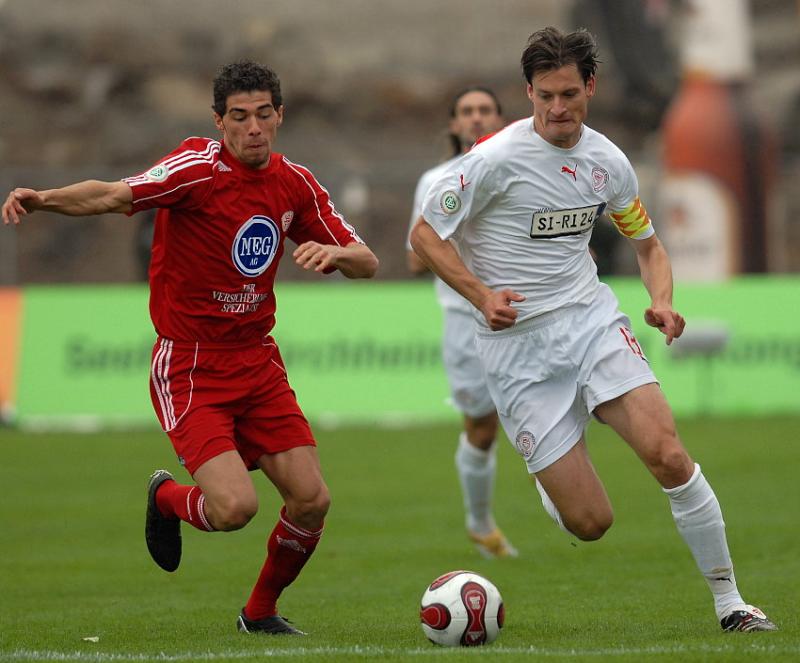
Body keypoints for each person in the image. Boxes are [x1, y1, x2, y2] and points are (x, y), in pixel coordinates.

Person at [409, 27, 776, 632]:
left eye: (569, 94)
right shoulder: (493, 160)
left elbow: (648, 245)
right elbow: (425, 236)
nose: (558, 108)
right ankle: (553, 475)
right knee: (591, 523)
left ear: (591, 88)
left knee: (668, 454)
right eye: (546, 95)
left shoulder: (608, 163)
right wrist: (480, 295)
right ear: (529, 92)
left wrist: (662, 301)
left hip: (590, 322)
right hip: (516, 349)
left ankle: (731, 602)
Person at [2, 60, 378, 636]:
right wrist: (43, 198)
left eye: (263, 114)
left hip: (258, 361)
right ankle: (166, 498)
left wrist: (337, 254)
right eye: (239, 117)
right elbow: (113, 195)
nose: (253, 128)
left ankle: (259, 614)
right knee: (235, 509)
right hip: (191, 363)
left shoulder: (295, 184)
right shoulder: (196, 170)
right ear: (219, 121)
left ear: (280, 115)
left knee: (312, 500)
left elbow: (367, 261)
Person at [406, 87, 517, 558]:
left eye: (485, 110)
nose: (476, 118)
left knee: (552, 416)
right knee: (482, 429)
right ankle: (480, 523)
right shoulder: (435, 180)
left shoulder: (521, 170)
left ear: (500, 118)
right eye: (467, 112)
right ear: (454, 124)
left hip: (525, 316)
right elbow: (416, 259)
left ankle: (569, 506)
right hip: (464, 323)